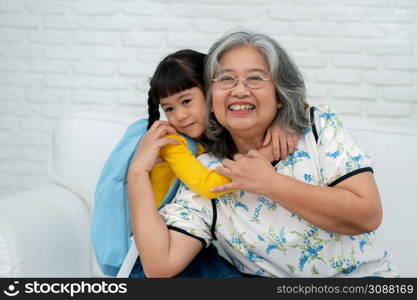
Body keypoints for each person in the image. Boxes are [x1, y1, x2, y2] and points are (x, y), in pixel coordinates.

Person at [128, 30, 398, 278]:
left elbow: (367, 215)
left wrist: (270, 183)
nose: (239, 89)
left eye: (255, 78)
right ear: (211, 98)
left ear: (280, 93)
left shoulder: (317, 126)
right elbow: (159, 267)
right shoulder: (208, 171)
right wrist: (138, 172)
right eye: (226, 79)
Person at [127, 48, 299, 277]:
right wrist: (263, 156)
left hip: (190, 237)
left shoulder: (216, 136)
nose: (179, 116)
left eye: (186, 101)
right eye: (169, 108)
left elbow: (292, 106)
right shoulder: (172, 142)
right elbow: (208, 185)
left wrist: (285, 122)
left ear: (211, 92)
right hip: (158, 240)